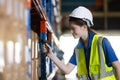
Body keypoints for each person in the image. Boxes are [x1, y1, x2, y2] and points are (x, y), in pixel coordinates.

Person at [42, 6, 120, 80]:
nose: (71, 32)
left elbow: (117, 67)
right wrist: (50, 55)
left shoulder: (102, 42)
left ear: (84, 27)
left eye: (73, 28)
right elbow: (67, 70)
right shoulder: (78, 49)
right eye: (70, 28)